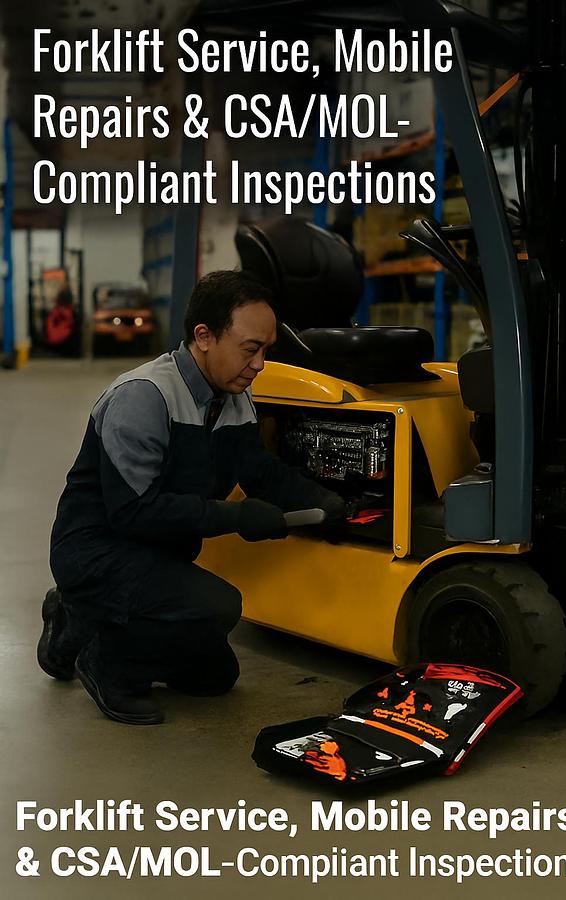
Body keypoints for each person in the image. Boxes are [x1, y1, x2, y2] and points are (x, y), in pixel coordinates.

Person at [38, 270, 346, 725]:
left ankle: (75, 621)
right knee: (218, 606)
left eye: (266, 350)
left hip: (159, 555)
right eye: (250, 349)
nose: (260, 363)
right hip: (97, 550)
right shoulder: (143, 398)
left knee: (215, 677)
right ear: (204, 336)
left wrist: (326, 502)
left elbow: (257, 469)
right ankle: (106, 664)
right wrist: (235, 516)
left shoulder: (233, 397)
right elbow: (132, 513)